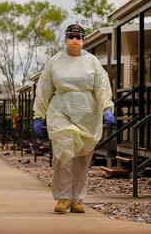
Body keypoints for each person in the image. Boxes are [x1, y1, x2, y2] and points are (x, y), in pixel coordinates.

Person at [32, 24, 114, 214]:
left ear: (84, 39)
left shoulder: (92, 61)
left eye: (78, 37)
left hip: (87, 113)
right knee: (64, 153)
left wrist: (107, 107)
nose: (74, 40)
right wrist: (38, 114)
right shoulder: (55, 62)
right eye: (71, 36)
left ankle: (77, 199)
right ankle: (62, 197)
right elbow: (44, 89)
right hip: (61, 110)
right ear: (65, 39)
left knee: (82, 157)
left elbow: (101, 86)